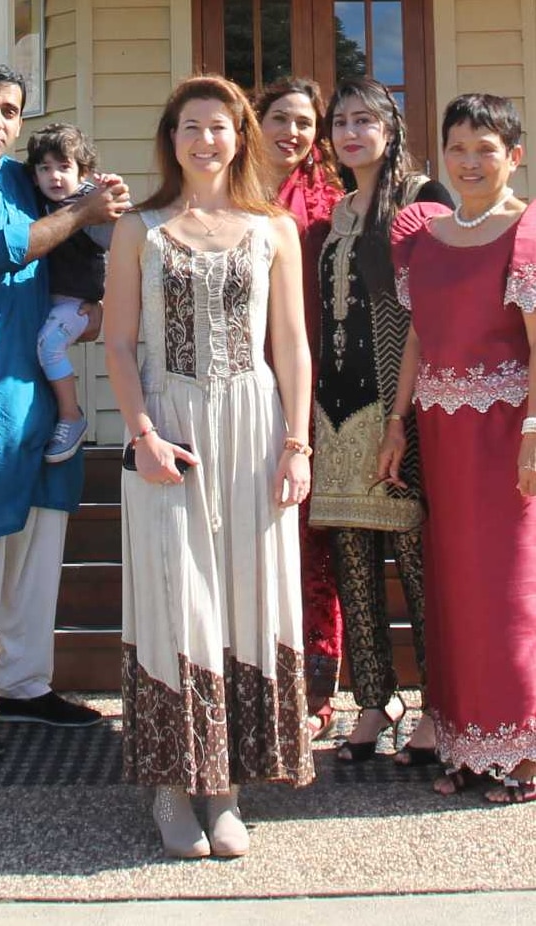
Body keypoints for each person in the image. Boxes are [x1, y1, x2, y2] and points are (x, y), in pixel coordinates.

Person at [104, 75, 314, 860]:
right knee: (173, 596)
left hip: (254, 428)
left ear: (240, 136)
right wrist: (142, 435)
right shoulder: (140, 230)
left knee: (244, 595)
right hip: (170, 428)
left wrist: (296, 445)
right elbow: (120, 344)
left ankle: (224, 786)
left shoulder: (274, 229)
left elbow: (289, 344)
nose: (205, 140)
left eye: (219, 126)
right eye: (190, 125)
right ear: (171, 137)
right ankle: (170, 781)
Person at [0, 65, 130, 761]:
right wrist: (82, 214)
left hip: (45, 395)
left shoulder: (19, 178)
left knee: (39, 549)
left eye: (10, 111)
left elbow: (69, 251)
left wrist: (91, 310)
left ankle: (24, 684)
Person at [378, 93, 536, 803]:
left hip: (507, 436)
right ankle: (473, 745)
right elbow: (418, 335)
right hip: (441, 436)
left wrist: (534, 433)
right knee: (457, 591)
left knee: (512, 591)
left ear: (514, 157)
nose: (471, 162)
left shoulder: (527, 232)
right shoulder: (427, 237)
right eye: (459, 149)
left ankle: (525, 750)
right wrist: (396, 422)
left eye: (486, 149)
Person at [310, 76, 453, 764]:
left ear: (391, 128)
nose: (352, 132)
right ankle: (372, 701)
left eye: (366, 119)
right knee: (353, 562)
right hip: (333, 411)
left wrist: (405, 415)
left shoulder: (423, 201)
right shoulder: (332, 213)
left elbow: (440, 311)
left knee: (421, 566)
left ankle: (439, 704)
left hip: (401, 408)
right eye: (341, 121)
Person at [255, 76, 344, 741]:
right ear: (255, 121)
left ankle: (313, 694)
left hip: (317, 394)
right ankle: (253, 679)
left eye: (306, 123)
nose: (293, 132)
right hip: (237, 389)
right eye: (281, 118)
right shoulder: (228, 196)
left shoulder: (332, 205)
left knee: (313, 544)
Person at [26, 123, 116, 463]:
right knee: (42, 347)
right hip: (51, 302)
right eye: (45, 168)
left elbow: (120, 240)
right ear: (34, 176)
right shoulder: (38, 202)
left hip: (79, 305)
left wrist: (107, 194)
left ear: (84, 172)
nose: (55, 176)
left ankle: (71, 416)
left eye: (65, 167)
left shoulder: (89, 206)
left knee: (49, 346)